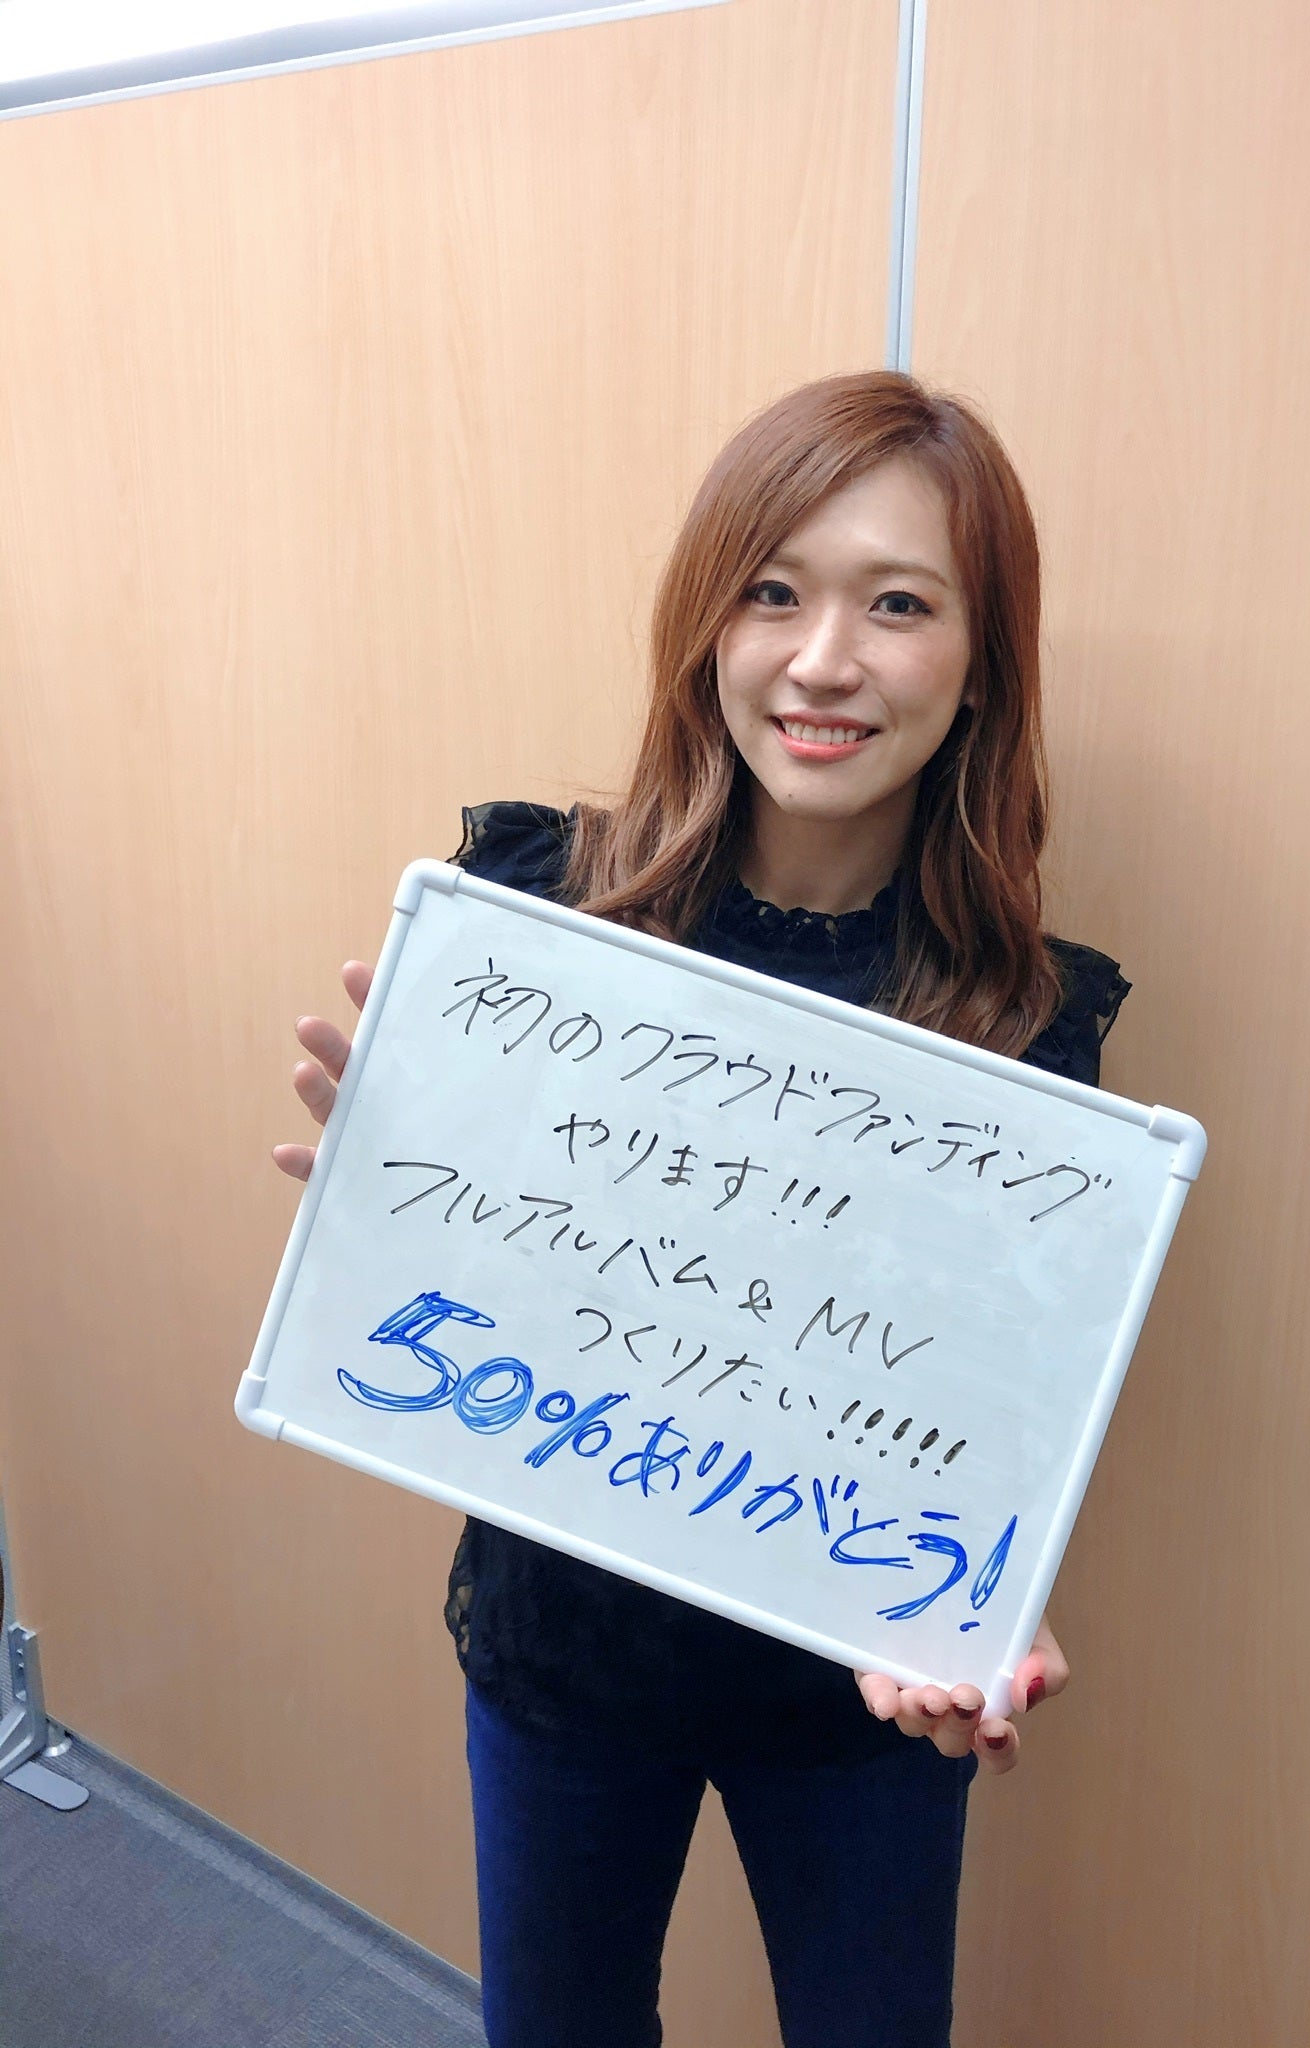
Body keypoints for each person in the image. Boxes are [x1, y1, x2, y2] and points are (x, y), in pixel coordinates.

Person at [273, 371, 1128, 2048]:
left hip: (856, 1689)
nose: (823, 662)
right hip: (568, 1650)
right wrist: (392, 1230)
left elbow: (988, 1400)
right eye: (773, 592)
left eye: (900, 605)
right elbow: (495, 1312)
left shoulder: (1022, 1031)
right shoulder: (540, 923)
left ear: (982, 665)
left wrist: (987, 1598)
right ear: (707, 623)